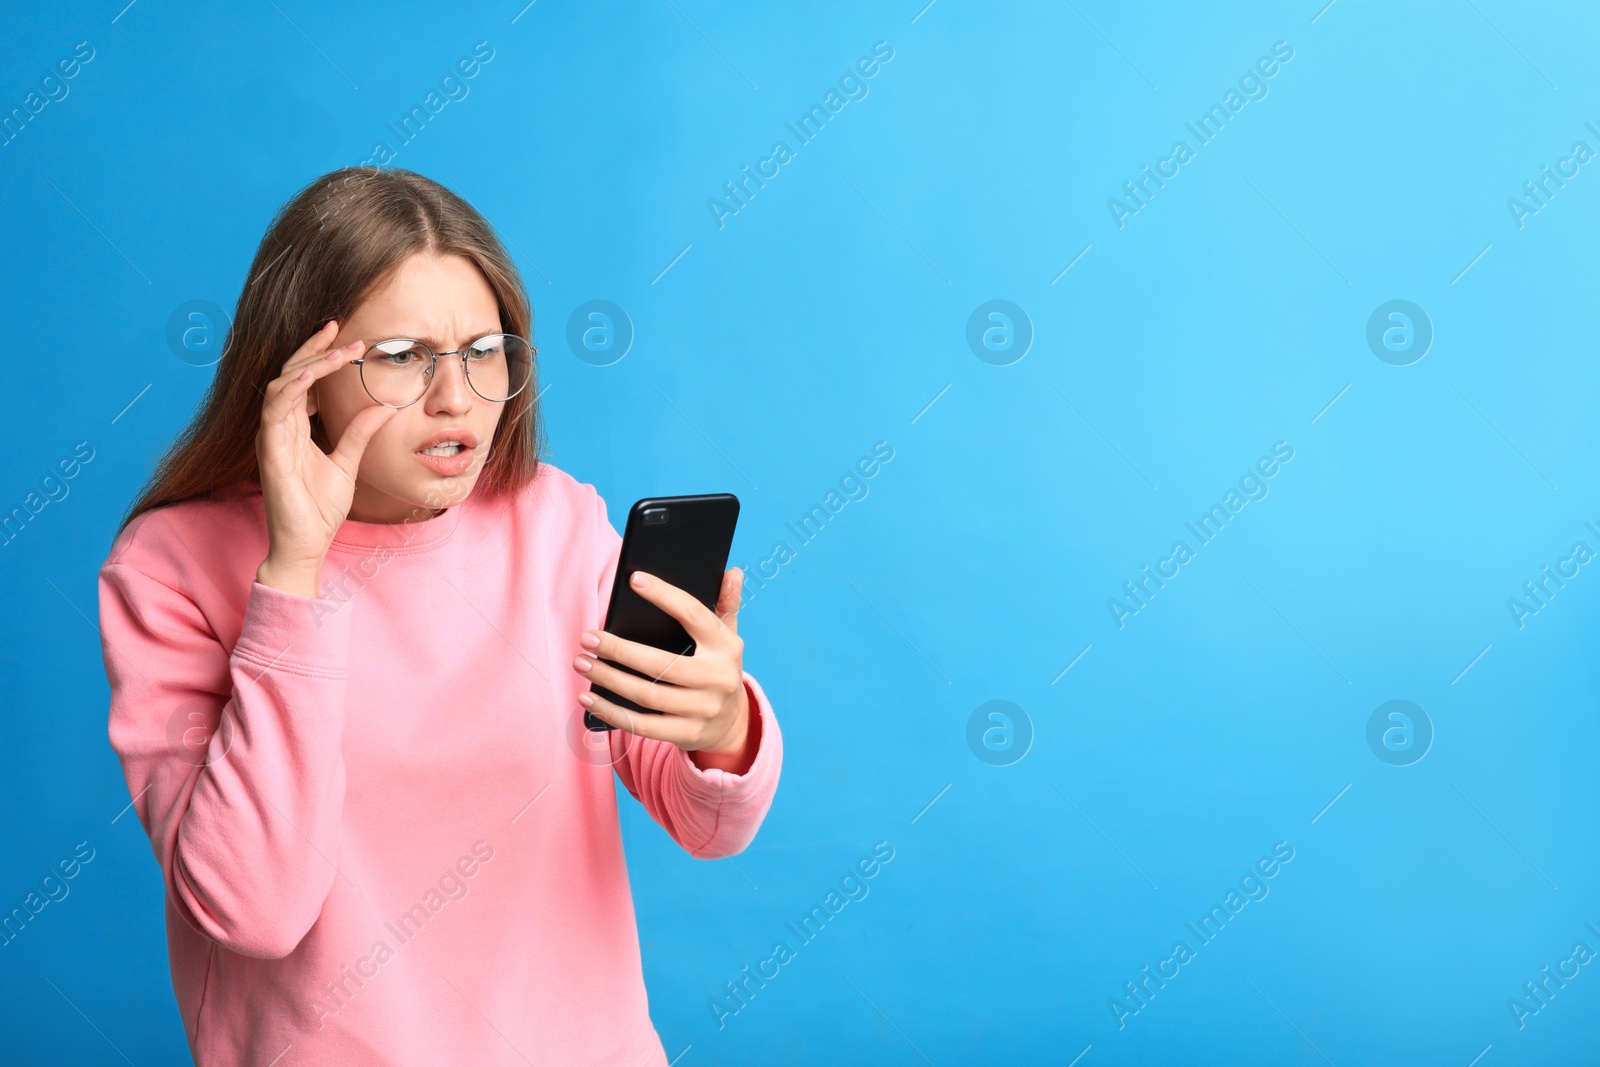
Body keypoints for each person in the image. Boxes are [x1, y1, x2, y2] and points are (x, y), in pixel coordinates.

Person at [96, 167, 783, 1065]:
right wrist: (294, 576)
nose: (456, 397)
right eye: (401, 356)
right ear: (300, 374)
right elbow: (252, 910)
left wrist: (722, 724)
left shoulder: (556, 523)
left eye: (484, 349)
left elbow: (711, 825)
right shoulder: (172, 568)